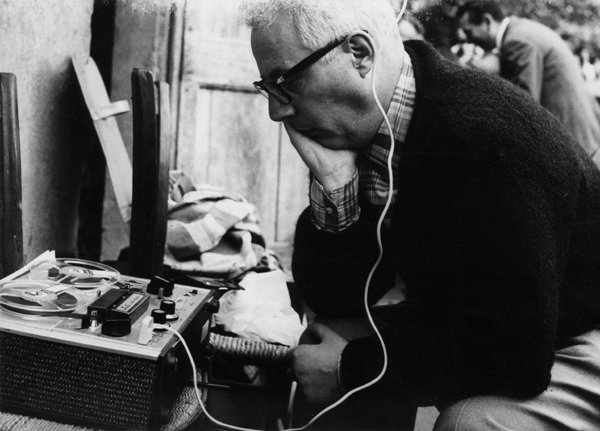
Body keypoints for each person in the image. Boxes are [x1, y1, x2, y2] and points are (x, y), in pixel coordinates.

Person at [240, 0, 600, 430]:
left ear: (359, 53)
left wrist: (352, 369)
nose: (276, 111)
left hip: (577, 331)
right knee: (326, 338)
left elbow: (514, 354)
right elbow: (337, 299)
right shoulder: (376, 125)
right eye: (268, 87)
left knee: (470, 424)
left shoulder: (484, 138)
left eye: (286, 82)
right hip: (504, 321)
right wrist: (338, 192)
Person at [456, 0, 600, 168]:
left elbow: (523, 109)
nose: (467, 39)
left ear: (487, 22)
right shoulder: (522, 30)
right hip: (584, 139)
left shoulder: (517, 42)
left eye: (469, 31)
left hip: (574, 148)